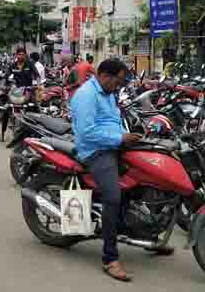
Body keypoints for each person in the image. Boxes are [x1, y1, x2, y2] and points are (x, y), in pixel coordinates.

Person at [72, 58, 146, 282]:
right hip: (95, 150)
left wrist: (129, 135)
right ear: (104, 76)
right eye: (118, 82)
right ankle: (110, 257)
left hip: (114, 144)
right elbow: (87, 133)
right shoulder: (87, 95)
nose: (119, 87)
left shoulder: (107, 93)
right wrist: (120, 138)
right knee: (113, 196)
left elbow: (112, 120)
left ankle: (146, 234)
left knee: (142, 179)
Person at [0, 47, 37, 142]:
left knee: (35, 108)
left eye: (22, 54)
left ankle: (38, 134)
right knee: (6, 109)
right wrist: (3, 84)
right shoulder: (13, 65)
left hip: (28, 90)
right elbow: (6, 76)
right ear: (16, 55)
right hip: (16, 91)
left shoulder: (30, 64)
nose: (21, 56)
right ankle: (3, 133)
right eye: (19, 54)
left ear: (25, 55)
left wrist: (36, 84)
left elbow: (37, 75)